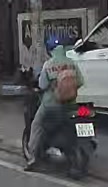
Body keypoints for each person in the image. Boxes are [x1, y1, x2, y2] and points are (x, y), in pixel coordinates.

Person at [25, 34, 84, 171]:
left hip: (51, 105)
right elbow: (81, 81)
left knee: (36, 125)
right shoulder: (71, 63)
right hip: (71, 104)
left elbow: (42, 85)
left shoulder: (48, 65)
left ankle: (32, 159)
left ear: (49, 50)